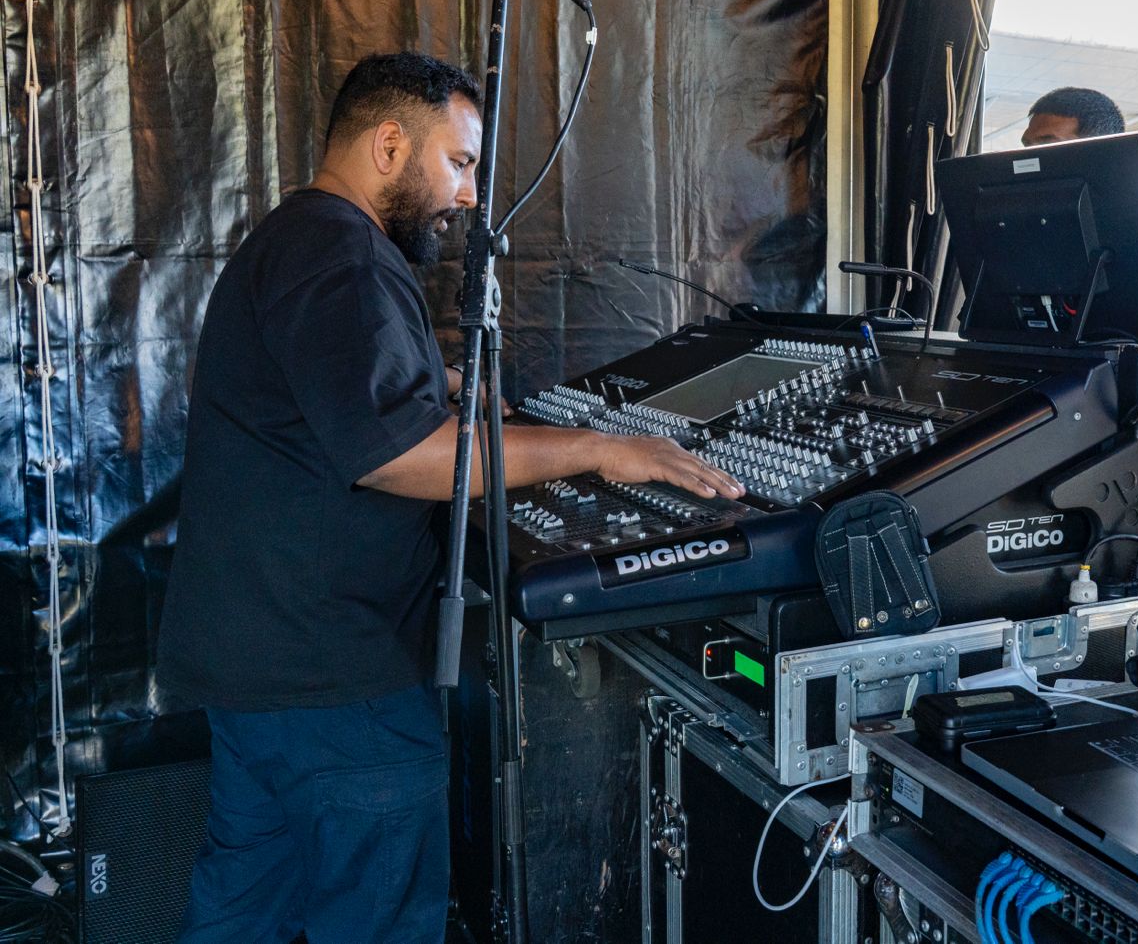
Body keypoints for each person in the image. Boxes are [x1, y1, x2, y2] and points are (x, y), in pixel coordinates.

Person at [157, 53, 743, 944]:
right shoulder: (342, 254)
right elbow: (397, 454)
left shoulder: (296, 238)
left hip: (259, 673)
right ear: (390, 145)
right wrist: (599, 449)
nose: (468, 196)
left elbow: (331, 395)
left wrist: (441, 382)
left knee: (243, 912)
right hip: (337, 685)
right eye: (460, 163)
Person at [1018, 86, 1138, 311]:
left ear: (1099, 151)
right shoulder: (1014, 235)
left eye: (1047, 144)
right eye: (1027, 145)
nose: (1029, 157)